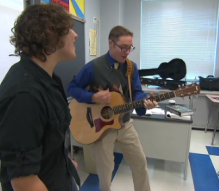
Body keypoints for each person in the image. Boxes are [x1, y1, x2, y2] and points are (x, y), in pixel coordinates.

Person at [0, 4, 80, 191]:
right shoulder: (23, 96)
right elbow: (25, 183)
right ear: (49, 33)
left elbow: (47, 138)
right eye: (69, 29)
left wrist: (64, 163)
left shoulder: (49, 79)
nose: (75, 34)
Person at [67, 25, 158, 191]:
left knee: (140, 163)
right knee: (105, 171)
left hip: (125, 124)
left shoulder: (132, 67)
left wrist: (144, 101)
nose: (127, 52)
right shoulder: (93, 67)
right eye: (123, 47)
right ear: (111, 43)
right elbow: (72, 88)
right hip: (101, 127)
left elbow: (137, 92)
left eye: (130, 47)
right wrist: (93, 97)